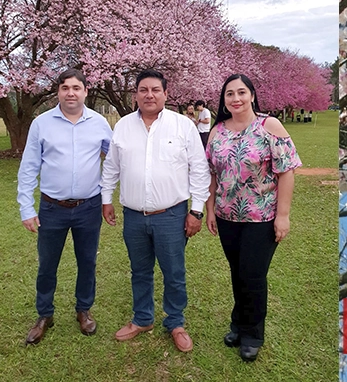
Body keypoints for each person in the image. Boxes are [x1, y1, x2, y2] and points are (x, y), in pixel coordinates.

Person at [100, 69, 210, 353]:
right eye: (143, 90)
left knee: (174, 272)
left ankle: (175, 322)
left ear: (165, 93)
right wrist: (106, 198)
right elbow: (111, 166)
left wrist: (196, 211)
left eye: (155, 90)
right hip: (134, 216)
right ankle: (143, 318)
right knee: (140, 271)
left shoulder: (182, 126)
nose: (149, 95)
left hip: (171, 215)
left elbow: (199, 169)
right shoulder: (123, 126)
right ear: (135, 94)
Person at [205, 74, 302, 362]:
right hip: (226, 216)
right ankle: (238, 323)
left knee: (253, 275)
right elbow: (211, 174)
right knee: (237, 272)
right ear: (223, 101)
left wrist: (282, 216)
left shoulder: (269, 126)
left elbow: (287, 171)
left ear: (252, 95)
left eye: (241, 92)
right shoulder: (217, 131)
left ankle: (252, 333)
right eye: (229, 94)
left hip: (261, 217)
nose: (236, 99)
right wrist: (210, 210)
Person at [17, 69, 112, 345]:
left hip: (88, 207)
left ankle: (84, 310)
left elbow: (115, 158)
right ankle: (45, 314)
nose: (71, 92)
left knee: (87, 261)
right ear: (58, 91)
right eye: (65, 87)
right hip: (51, 208)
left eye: (76, 88)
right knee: (47, 265)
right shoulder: (41, 124)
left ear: (85, 91)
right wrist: (26, 208)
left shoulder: (98, 123)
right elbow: (28, 168)